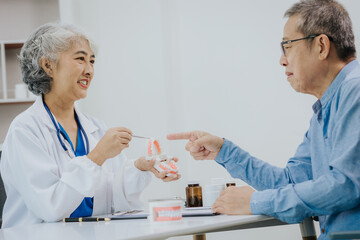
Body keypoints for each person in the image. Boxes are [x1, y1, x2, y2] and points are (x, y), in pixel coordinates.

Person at [167, 0, 360, 239]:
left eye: (287, 46)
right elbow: (288, 181)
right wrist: (224, 151)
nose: (282, 60)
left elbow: (346, 186)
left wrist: (255, 201)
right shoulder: (324, 111)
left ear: (321, 46)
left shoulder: (356, 91)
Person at [0, 23, 180, 229]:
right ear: (48, 65)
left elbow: (113, 199)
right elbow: (50, 207)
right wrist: (97, 156)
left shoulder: (94, 127)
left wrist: (139, 167)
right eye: (80, 59)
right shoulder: (25, 130)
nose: (89, 70)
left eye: (92, 61)